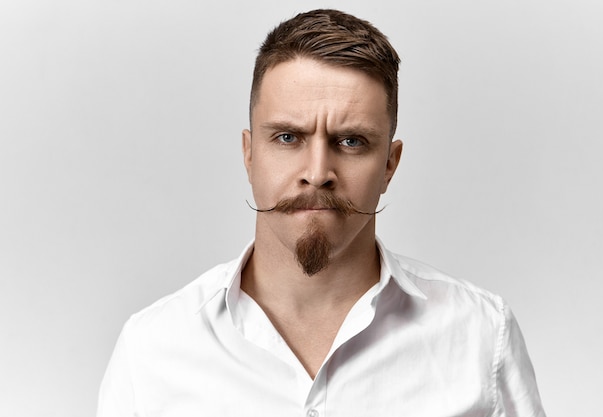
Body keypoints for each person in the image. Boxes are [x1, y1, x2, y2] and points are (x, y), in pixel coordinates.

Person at [97, 9, 545, 417]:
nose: (317, 173)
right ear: (249, 154)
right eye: (288, 138)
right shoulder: (152, 348)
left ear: (390, 164)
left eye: (351, 141)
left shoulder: (481, 336)